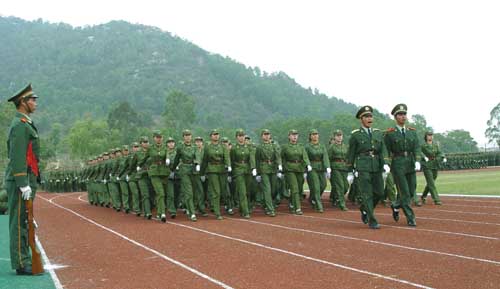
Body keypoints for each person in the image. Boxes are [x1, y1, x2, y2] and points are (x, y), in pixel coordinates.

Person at [4, 84, 43, 275]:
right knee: (19, 221)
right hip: (21, 179)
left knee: (25, 220)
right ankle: (21, 263)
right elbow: (17, 155)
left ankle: (25, 258)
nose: (35, 103)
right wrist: (22, 183)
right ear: (22, 103)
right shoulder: (20, 125)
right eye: (32, 100)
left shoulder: (25, 123)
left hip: (27, 177)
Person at [346, 106, 390, 229]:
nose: (369, 119)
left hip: (376, 165)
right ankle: (372, 219)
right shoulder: (355, 135)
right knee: (367, 194)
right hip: (363, 166)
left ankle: (364, 208)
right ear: (361, 119)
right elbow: (351, 153)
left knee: (380, 192)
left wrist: (385, 163)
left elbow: (382, 150)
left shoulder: (377, 133)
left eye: (370, 116)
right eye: (366, 117)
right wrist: (350, 171)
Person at [384, 103, 419, 226]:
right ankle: (410, 217)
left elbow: (416, 147)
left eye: (404, 114)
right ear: (395, 117)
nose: (403, 117)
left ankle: (395, 205)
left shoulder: (412, 132)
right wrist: (386, 163)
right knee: (404, 191)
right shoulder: (390, 133)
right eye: (400, 114)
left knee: (412, 189)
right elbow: (386, 150)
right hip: (398, 163)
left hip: (410, 162)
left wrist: (418, 160)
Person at [202, 129, 231, 220]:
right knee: (216, 191)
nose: (216, 136)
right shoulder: (207, 147)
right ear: (211, 136)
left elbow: (226, 157)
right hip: (212, 170)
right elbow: (205, 160)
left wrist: (229, 165)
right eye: (214, 134)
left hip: (222, 170)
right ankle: (217, 212)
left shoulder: (223, 146)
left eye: (217, 134)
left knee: (223, 191)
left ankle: (223, 208)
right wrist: (202, 173)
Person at [173, 130, 202, 222]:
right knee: (188, 192)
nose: (187, 137)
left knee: (193, 191)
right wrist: (172, 169)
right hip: (184, 170)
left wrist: (197, 164)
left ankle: (188, 207)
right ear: (183, 137)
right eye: (185, 135)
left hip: (193, 170)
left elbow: (197, 156)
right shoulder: (180, 147)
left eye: (189, 135)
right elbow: (177, 159)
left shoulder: (195, 147)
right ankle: (192, 213)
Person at [281, 129, 311, 215]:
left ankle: (291, 202)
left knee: (299, 188)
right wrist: (283, 167)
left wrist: (308, 164)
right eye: (292, 135)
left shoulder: (301, 146)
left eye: (296, 135)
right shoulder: (285, 147)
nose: (294, 136)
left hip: (299, 169)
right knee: (294, 188)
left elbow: (305, 157)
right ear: (289, 136)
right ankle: (297, 207)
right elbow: (282, 157)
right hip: (289, 169)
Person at [255, 129, 282, 216]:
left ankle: (266, 203)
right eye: (265, 134)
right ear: (262, 136)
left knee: (274, 189)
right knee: (267, 189)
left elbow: (278, 156)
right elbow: (257, 160)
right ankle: (270, 209)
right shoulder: (259, 147)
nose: (266, 136)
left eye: (268, 134)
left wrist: (279, 166)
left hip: (273, 168)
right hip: (264, 169)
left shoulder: (274, 146)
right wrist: (258, 173)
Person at [230, 129, 257, 218]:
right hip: (238, 170)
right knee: (242, 191)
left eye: (242, 135)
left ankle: (242, 208)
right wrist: (232, 172)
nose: (241, 137)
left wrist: (253, 168)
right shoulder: (233, 148)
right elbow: (232, 160)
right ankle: (246, 212)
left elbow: (252, 157)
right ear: (236, 137)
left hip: (248, 170)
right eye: (239, 136)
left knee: (248, 191)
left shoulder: (249, 147)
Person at [305, 129, 330, 213]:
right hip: (312, 168)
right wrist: (308, 165)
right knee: (316, 187)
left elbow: (325, 156)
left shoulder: (322, 146)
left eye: (316, 134)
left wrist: (327, 167)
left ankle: (312, 198)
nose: (315, 136)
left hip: (321, 168)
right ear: (310, 136)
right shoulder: (307, 146)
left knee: (323, 185)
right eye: (313, 134)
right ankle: (318, 205)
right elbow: (306, 157)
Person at [147, 131, 169, 222]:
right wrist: (139, 166)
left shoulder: (165, 147)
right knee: (161, 193)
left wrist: (167, 159)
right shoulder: (150, 148)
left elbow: (167, 154)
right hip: (154, 172)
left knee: (161, 193)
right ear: (154, 138)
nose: (159, 138)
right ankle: (163, 213)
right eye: (157, 137)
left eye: (160, 137)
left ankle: (159, 212)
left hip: (164, 172)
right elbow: (144, 158)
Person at [420, 131, 446, 205]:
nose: (430, 137)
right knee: (431, 183)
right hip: (427, 165)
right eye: (429, 135)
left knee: (430, 182)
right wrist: (424, 157)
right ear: (426, 136)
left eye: (431, 135)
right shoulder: (423, 146)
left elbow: (440, 152)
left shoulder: (435, 145)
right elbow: (419, 152)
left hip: (435, 164)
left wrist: (442, 157)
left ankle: (423, 196)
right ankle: (436, 199)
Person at [327, 130, 349, 211]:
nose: (339, 137)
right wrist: (328, 168)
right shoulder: (332, 147)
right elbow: (328, 158)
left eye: (340, 135)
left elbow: (348, 157)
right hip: (335, 168)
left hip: (344, 168)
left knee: (346, 187)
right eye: (337, 135)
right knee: (340, 186)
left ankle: (336, 197)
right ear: (334, 137)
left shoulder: (345, 146)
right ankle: (342, 204)